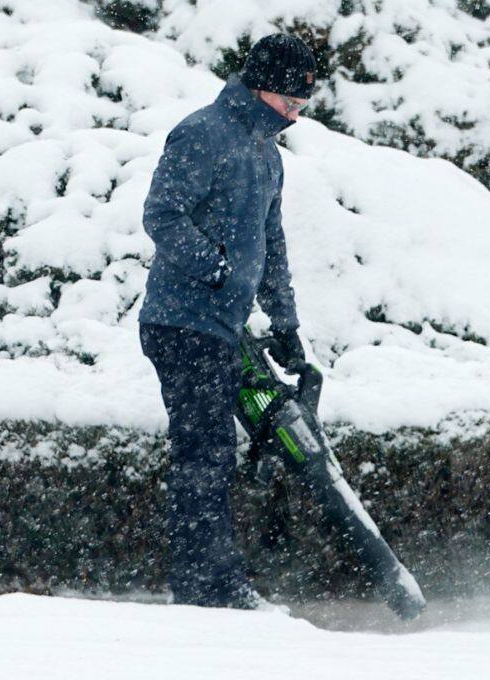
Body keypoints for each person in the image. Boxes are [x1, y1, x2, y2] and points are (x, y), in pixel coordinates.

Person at [137, 33, 316, 609]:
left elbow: (271, 242)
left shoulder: (266, 154)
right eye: (291, 100)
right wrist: (215, 271)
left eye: (302, 104)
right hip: (181, 319)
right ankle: (205, 588)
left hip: (220, 325)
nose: (296, 112)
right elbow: (162, 214)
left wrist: (285, 322)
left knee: (213, 452)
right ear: (262, 86)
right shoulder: (203, 133)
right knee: (204, 451)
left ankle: (212, 581)